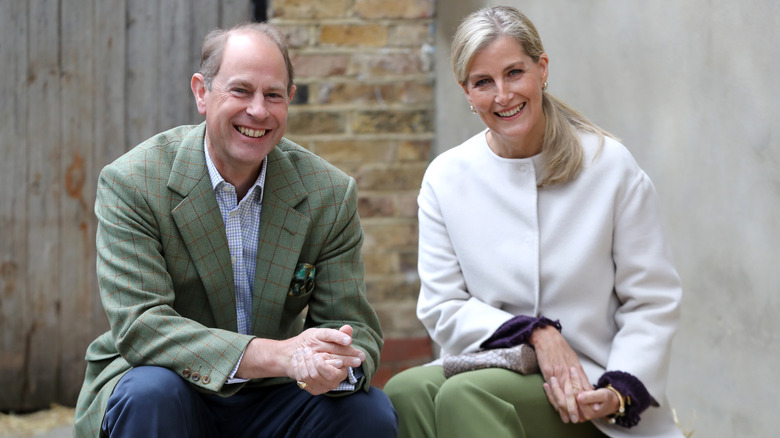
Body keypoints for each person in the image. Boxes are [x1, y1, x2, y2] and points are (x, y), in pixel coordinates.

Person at [73, 22, 398, 438]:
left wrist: (333, 364)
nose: (258, 111)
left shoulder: (328, 194)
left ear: (289, 100)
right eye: (241, 90)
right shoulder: (133, 182)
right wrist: (279, 354)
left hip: (274, 397)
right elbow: (143, 327)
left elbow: (354, 324)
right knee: (151, 392)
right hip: (173, 385)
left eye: (273, 95)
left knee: (367, 411)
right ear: (202, 93)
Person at [384, 6, 682, 438]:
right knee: (406, 390)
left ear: (542, 69)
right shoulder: (446, 178)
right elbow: (442, 305)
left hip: (592, 384)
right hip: (496, 361)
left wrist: (622, 388)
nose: (502, 95)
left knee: (464, 395)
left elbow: (651, 300)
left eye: (514, 73)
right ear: (466, 92)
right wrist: (537, 333)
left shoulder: (609, 165)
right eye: (483, 82)